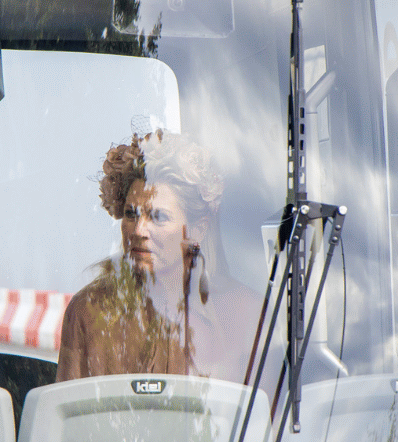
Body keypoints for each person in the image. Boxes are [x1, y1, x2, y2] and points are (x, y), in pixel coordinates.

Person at [57, 130, 258, 383]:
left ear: (198, 229)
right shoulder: (90, 309)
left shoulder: (244, 314)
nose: (138, 230)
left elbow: (264, 418)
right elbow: (70, 417)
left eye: (158, 217)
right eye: (131, 214)